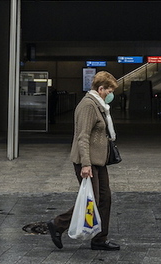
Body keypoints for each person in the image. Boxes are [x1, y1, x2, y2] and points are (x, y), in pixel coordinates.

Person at [47, 71, 121, 251]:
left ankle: (99, 240)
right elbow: (83, 137)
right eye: (109, 90)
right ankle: (58, 224)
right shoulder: (88, 105)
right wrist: (86, 164)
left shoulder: (100, 105)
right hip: (87, 161)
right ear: (100, 88)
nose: (111, 94)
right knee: (92, 200)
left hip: (99, 161)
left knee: (105, 198)